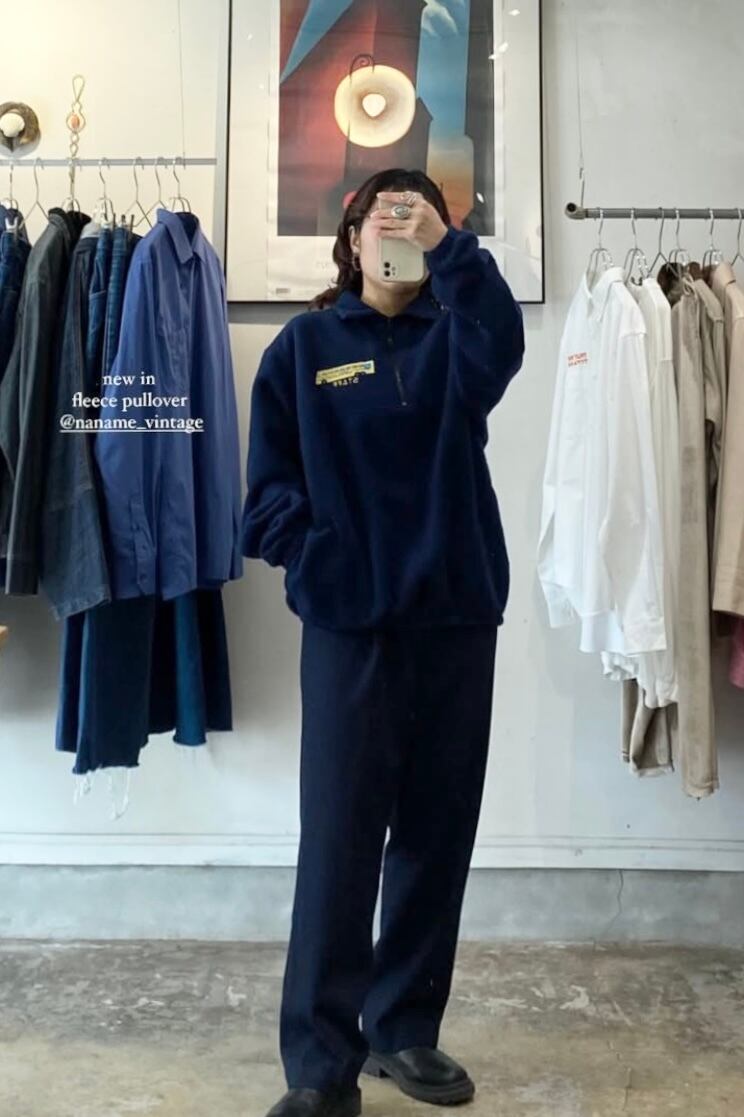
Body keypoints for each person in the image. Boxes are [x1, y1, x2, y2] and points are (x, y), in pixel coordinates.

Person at [242, 167, 525, 1117]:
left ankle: (402, 1027)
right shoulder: (306, 347)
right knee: (340, 840)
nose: (397, 231)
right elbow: (268, 494)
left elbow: (504, 342)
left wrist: (453, 248)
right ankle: (321, 1065)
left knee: (437, 834)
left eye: (418, 220)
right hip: (350, 627)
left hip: (456, 619)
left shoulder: (461, 340)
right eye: (382, 216)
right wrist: (319, 563)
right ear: (352, 237)